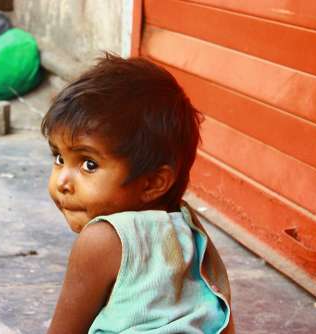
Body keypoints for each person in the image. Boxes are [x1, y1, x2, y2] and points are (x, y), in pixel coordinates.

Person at [41, 54, 234, 334]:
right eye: (59, 158)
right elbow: (220, 311)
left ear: (153, 183)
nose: (62, 181)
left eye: (88, 164)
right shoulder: (186, 224)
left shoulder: (102, 240)